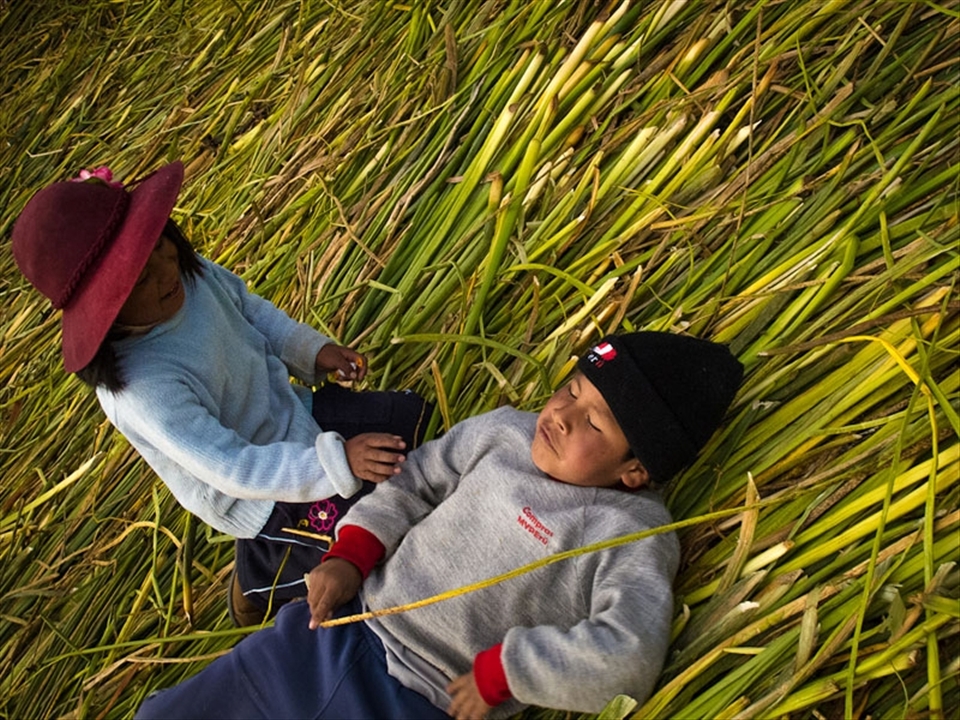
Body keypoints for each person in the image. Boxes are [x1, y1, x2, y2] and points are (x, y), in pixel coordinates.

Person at [133, 331, 744, 720]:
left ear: (635, 470)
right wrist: (351, 553)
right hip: (336, 629)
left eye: (595, 422)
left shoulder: (629, 532)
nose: (560, 414)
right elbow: (417, 480)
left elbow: (628, 656)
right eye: (571, 389)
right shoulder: (504, 432)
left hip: (424, 700)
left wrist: (506, 673)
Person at [11, 161, 431, 625]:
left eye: (159, 245)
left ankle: (289, 533)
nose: (165, 271)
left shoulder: (185, 276)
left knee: (411, 422)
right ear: (103, 310)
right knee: (371, 539)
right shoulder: (144, 387)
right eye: (140, 278)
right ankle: (259, 578)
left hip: (289, 411)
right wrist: (337, 463)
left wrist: (312, 352)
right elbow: (232, 466)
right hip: (257, 493)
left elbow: (249, 310)